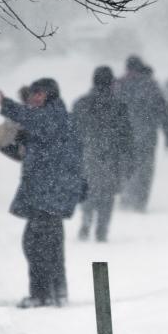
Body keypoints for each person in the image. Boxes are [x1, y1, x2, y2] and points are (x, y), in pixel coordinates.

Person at [0, 78, 84, 308]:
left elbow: (32, 120)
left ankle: (42, 294)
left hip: (50, 192)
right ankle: (58, 290)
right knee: (50, 244)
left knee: (36, 244)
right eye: (33, 93)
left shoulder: (53, 115)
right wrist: (8, 138)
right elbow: (27, 149)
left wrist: (8, 105)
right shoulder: (52, 119)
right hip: (50, 191)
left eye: (40, 93)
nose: (35, 98)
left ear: (50, 95)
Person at [72, 66, 134, 242]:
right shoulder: (119, 106)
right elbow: (126, 137)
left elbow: (72, 132)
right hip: (110, 157)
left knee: (88, 189)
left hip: (87, 154)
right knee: (107, 194)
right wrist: (129, 160)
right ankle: (102, 229)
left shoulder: (81, 103)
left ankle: (86, 221)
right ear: (111, 83)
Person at [116, 55, 168, 211]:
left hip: (124, 136)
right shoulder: (151, 86)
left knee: (124, 166)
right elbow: (164, 112)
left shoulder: (118, 85)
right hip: (147, 136)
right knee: (145, 169)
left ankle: (126, 197)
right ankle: (140, 202)